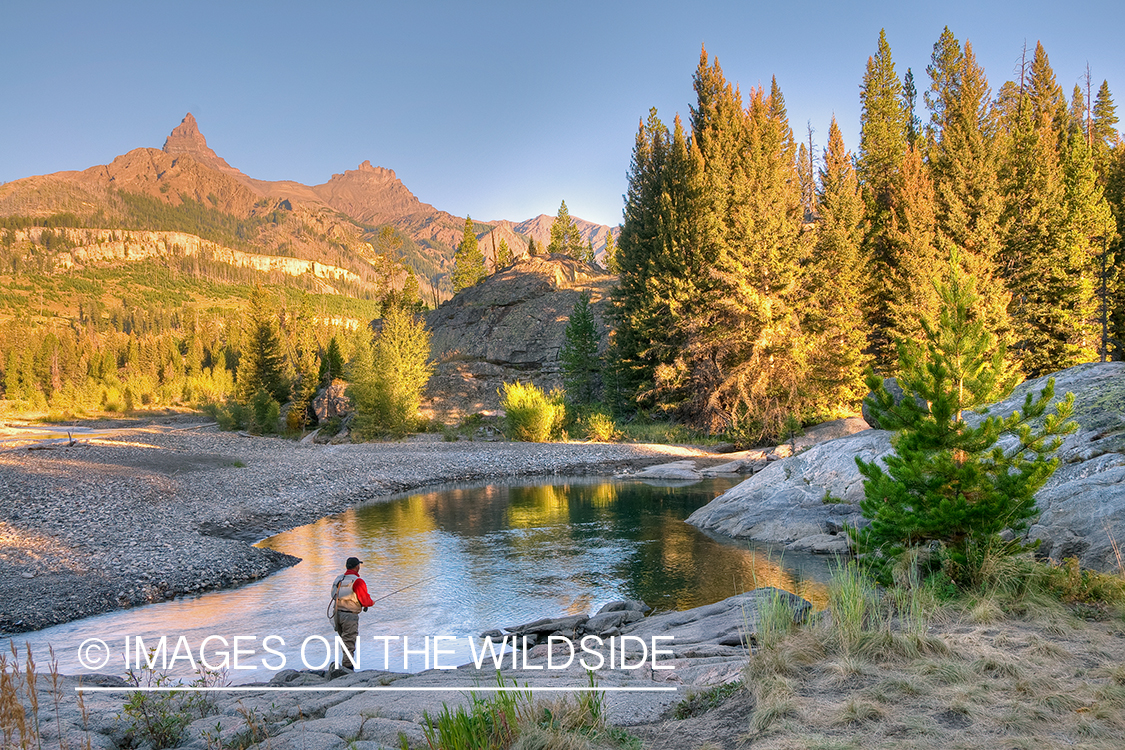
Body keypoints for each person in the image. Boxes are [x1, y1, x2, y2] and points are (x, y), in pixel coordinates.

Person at [329, 556, 374, 670]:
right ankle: (347, 671)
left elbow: (333, 595)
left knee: (345, 642)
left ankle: (345, 668)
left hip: (336, 615)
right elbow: (365, 601)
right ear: (357, 567)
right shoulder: (357, 581)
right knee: (349, 643)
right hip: (349, 617)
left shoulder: (339, 579)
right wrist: (371, 602)